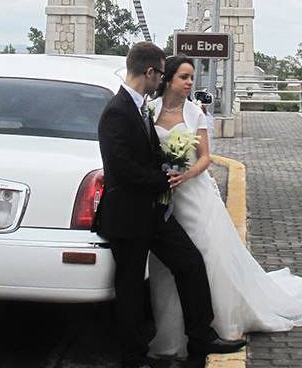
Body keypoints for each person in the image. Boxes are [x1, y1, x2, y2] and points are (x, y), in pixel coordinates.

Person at [147, 55, 302, 358]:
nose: (189, 83)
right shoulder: (150, 110)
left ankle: (214, 324)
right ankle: (169, 333)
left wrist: (186, 174)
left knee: (209, 259)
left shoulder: (194, 112)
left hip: (193, 195)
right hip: (165, 200)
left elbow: (206, 157)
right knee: (166, 268)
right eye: (184, 77)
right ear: (168, 79)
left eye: (191, 77)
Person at [92, 42, 246, 368]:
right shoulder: (117, 110)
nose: (160, 79)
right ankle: (133, 358)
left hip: (152, 211)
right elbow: (121, 168)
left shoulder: (139, 106)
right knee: (131, 287)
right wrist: (164, 180)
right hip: (128, 217)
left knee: (189, 263)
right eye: (160, 73)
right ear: (150, 72)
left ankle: (201, 336)